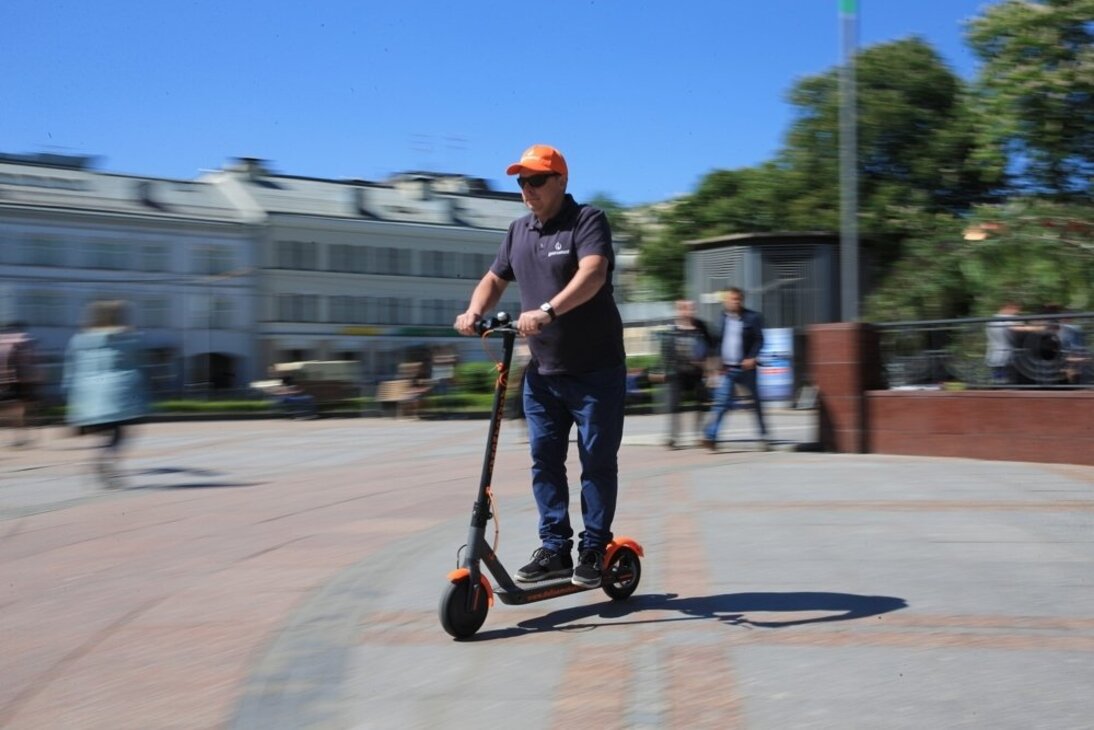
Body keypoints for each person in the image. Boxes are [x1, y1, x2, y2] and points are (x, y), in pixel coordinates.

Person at [454, 144, 626, 589]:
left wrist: (548, 310)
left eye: (535, 180)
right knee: (544, 460)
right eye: (521, 182)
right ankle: (555, 548)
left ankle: (594, 547)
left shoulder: (586, 220)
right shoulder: (518, 230)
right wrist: (474, 311)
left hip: (596, 370)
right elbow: (494, 278)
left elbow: (593, 273)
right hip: (544, 373)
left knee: (596, 461)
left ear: (561, 181)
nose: (526, 189)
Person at [62, 301, 148, 488]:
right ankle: (106, 460)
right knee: (119, 434)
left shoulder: (79, 340)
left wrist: (69, 395)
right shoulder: (128, 338)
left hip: (89, 398)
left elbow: (71, 371)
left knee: (105, 433)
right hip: (118, 396)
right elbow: (138, 363)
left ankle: (104, 461)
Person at [701, 287, 769, 451]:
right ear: (725, 301)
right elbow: (718, 342)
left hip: (747, 369)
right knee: (721, 403)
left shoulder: (752, 317)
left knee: (756, 403)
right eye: (731, 299)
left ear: (741, 300)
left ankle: (764, 436)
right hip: (727, 370)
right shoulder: (722, 318)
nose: (734, 302)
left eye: (737, 299)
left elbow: (759, 340)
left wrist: (752, 357)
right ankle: (711, 437)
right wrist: (715, 365)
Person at [658, 299, 713, 449]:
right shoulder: (672, 328)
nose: (687, 311)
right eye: (683, 308)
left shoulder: (701, 327)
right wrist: (664, 369)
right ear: (678, 311)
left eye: (690, 308)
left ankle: (699, 434)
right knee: (673, 405)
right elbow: (666, 351)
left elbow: (711, 348)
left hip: (697, 373)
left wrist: (710, 370)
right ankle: (673, 436)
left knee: (701, 403)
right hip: (677, 373)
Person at [0, 322, 40, 447]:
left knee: (17, 412)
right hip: (18, 383)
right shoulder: (19, 345)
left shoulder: (12, 345)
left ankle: (21, 437)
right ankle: (21, 437)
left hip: (15, 383)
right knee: (18, 412)